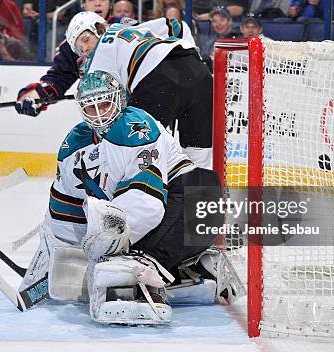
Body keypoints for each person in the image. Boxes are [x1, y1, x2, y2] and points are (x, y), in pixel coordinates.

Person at [19, 70, 224, 325]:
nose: (99, 114)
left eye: (104, 104)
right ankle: (169, 272)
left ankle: (144, 267)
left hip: (172, 204)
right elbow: (62, 213)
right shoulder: (74, 145)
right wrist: (51, 260)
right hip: (129, 229)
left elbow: (147, 205)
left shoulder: (137, 127)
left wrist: (106, 250)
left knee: (205, 190)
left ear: (119, 101)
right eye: (90, 108)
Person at [64, 11, 213, 168]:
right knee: (198, 149)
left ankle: (145, 189)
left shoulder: (95, 62)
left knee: (135, 145)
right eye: (80, 50)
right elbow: (178, 27)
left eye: (86, 40)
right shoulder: (129, 29)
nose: (86, 49)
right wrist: (193, 61)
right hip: (198, 73)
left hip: (157, 83)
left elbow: (101, 108)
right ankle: (200, 192)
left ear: (98, 28)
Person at [14, 0, 114, 120]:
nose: (98, 3)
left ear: (110, 3)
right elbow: (57, 80)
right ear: (83, 4)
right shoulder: (73, 43)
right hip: (100, 115)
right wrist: (35, 96)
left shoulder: (125, 29)